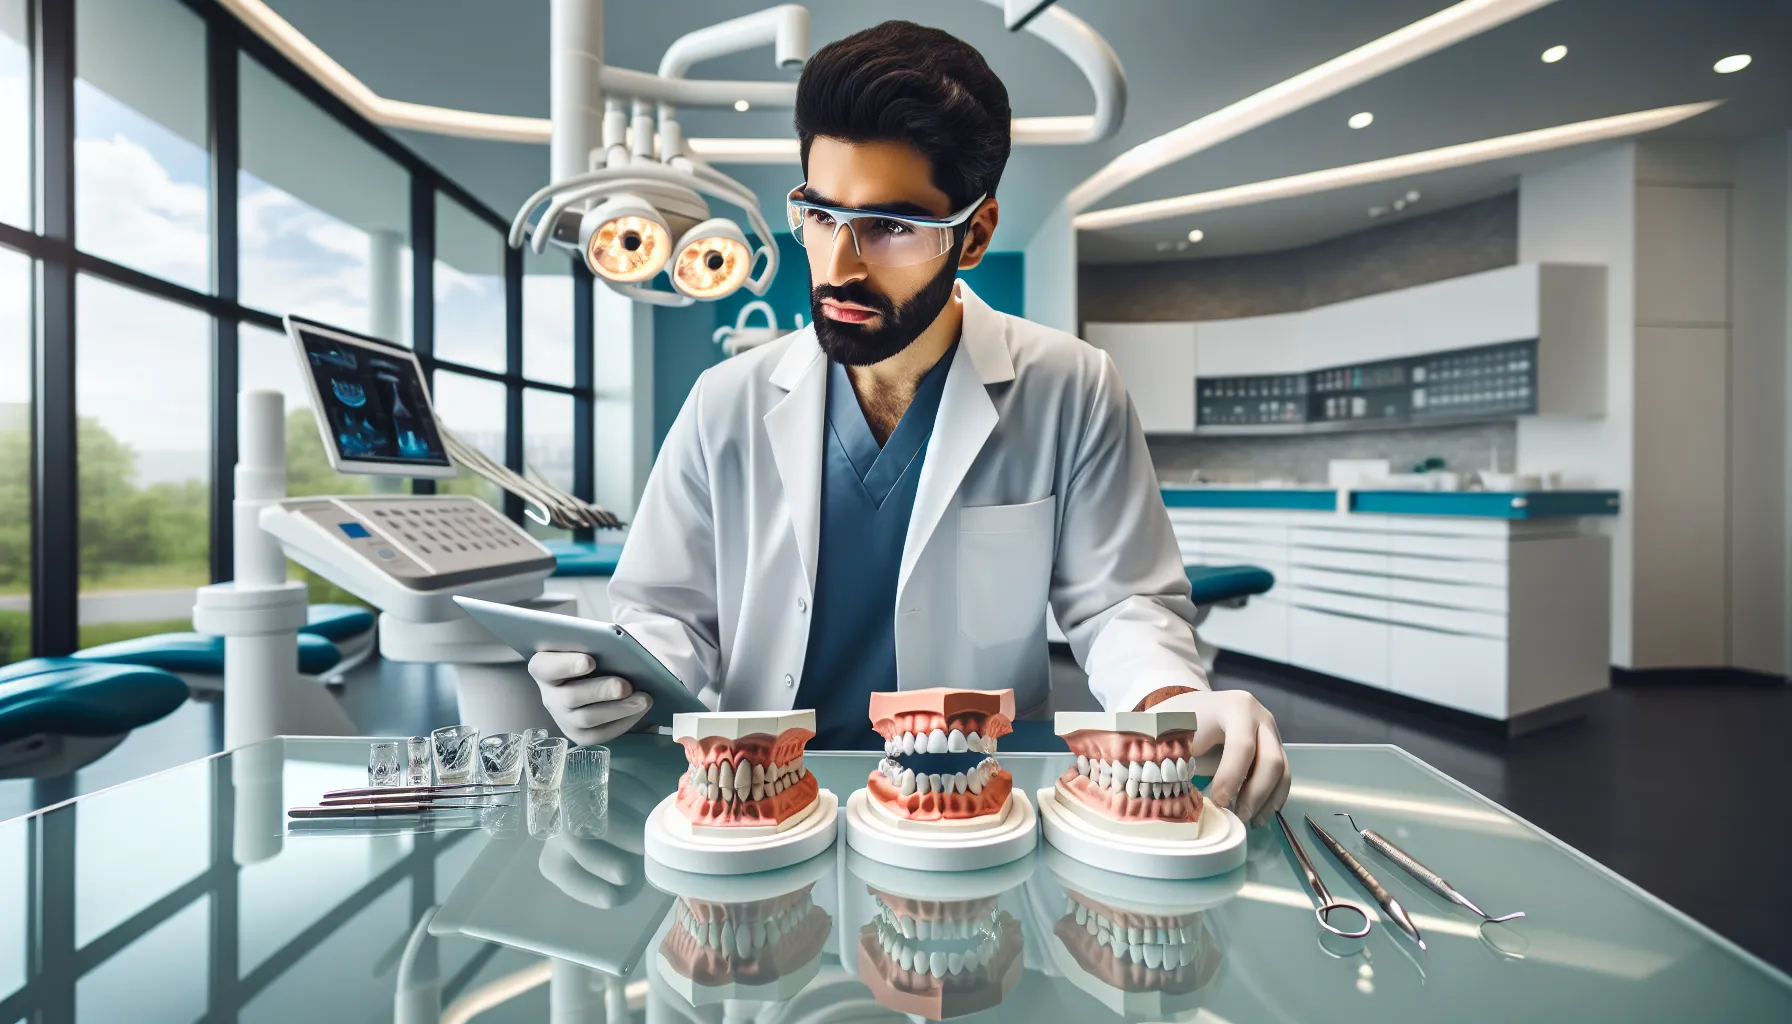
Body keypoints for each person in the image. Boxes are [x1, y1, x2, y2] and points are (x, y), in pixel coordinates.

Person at [530, 21, 1289, 825]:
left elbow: (1120, 606)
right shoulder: (726, 400)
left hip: (972, 809)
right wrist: (613, 686)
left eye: (892, 226)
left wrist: (1172, 699)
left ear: (977, 234)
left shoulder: (1071, 387)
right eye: (822, 215)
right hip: (751, 805)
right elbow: (666, 614)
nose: (841, 264)